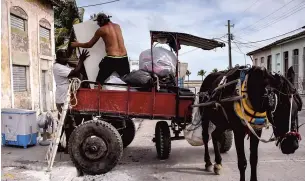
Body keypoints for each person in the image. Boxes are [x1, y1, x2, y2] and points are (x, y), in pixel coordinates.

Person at [71, 12, 130, 85]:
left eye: (98, 23)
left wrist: (77, 44)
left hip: (112, 58)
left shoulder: (101, 30)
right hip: (124, 58)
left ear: (101, 22)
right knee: (127, 82)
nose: (97, 25)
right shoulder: (117, 26)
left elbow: (89, 44)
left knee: (98, 83)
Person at [53, 48, 89, 153]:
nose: (66, 60)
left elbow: (74, 67)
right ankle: (60, 145)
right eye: (63, 58)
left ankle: (66, 146)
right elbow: (75, 72)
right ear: (58, 58)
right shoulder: (58, 67)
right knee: (64, 124)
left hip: (66, 98)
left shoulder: (63, 65)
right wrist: (81, 60)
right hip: (62, 99)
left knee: (67, 124)